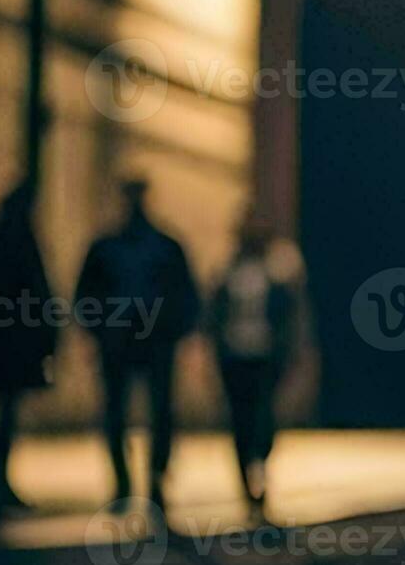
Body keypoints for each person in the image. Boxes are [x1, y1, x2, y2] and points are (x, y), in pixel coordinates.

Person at [76, 180, 198, 513]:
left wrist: (174, 329)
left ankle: (154, 481)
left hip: (153, 342)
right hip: (120, 341)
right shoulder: (109, 248)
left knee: (159, 415)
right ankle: (125, 483)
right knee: (119, 414)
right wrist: (99, 330)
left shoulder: (162, 247)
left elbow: (185, 295)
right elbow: (86, 296)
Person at [209, 219, 302, 523]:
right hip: (235, 356)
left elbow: (289, 313)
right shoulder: (228, 273)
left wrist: (289, 352)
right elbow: (215, 314)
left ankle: (259, 467)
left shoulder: (274, 274)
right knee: (240, 421)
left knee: (263, 421)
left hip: (263, 356)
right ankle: (246, 486)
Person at [0, 182, 57, 517]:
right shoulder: (20, 243)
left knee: (4, 419)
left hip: (7, 346)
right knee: (5, 419)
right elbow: (37, 295)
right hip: (10, 348)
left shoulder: (4, 239)